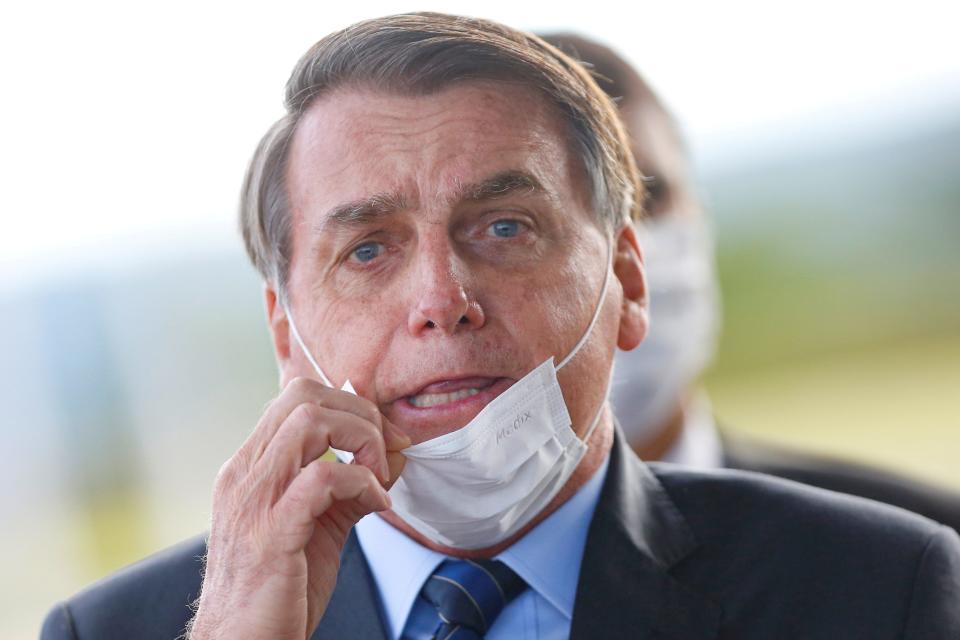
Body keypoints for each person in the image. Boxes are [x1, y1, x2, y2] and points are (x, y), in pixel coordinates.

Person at [42, 13, 960, 640]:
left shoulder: (881, 586)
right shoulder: (116, 630)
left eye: (504, 228)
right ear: (287, 332)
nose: (442, 297)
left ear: (627, 280)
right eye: (368, 249)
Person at [542, 33, 960, 531]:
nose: (627, 251)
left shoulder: (915, 551)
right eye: (530, 222)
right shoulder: (444, 595)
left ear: (697, 209)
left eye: (648, 198)